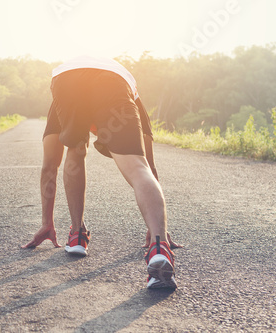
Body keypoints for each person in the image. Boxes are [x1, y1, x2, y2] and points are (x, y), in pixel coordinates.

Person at [22, 56, 181, 289]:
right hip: (113, 80)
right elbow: (149, 165)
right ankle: (160, 249)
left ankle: (77, 235)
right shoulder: (130, 97)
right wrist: (158, 229)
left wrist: (47, 222)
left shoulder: (63, 96)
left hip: (67, 79)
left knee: (74, 151)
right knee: (137, 166)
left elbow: (49, 166)